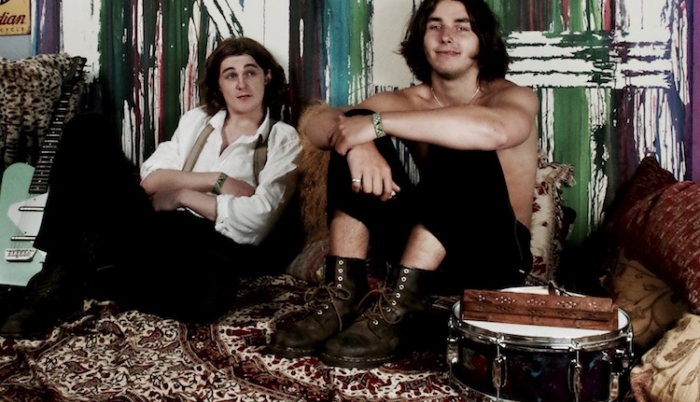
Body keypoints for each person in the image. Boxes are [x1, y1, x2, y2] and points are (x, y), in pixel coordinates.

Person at [267, 0, 539, 369]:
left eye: (462, 26)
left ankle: (400, 308)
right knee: (353, 126)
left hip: (494, 255)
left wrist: (374, 125)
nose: (446, 36)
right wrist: (360, 141)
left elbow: (496, 130)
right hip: (428, 252)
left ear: (482, 40)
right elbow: (317, 126)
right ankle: (343, 295)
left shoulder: (512, 96)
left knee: (457, 138)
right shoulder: (408, 100)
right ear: (421, 39)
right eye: (435, 26)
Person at [0, 36, 302, 338]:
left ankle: (95, 278)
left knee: (211, 296)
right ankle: (54, 280)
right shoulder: (197, 121)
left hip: (208, 244)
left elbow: (258, 220)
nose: (242, 84)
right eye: (230, 75)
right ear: (219, 85)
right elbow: (152, 180)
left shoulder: (282, 138)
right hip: (152, 226)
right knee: (89, 127)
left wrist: (180, 194)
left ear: (267, 76)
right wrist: (214, 180)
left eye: (250, 72)